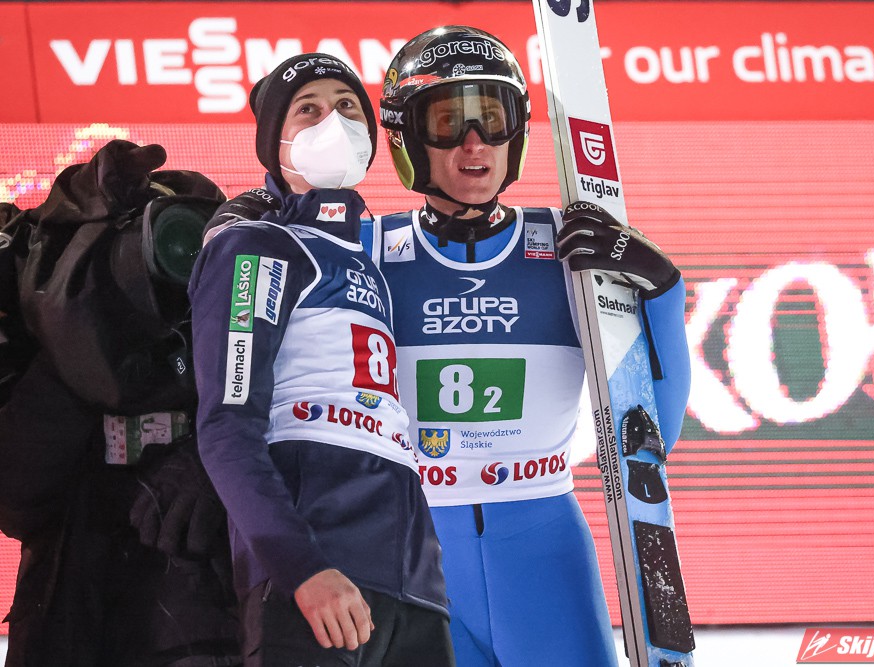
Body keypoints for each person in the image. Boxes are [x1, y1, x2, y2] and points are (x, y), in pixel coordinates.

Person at [373, 25, 692, 666]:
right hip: (410, 552)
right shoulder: (368, 249)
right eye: (447, 122)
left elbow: (651, 432)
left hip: (543, 549)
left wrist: (663, 290)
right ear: (405, 136)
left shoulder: (573, 247)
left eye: (492, 120)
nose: (474, 144)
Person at [188, 53, 454, 667]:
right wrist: (301, 568)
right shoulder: (255, 247)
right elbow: (226, 426)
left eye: (348, 106)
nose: (333, 121)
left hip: (414, 586)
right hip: (316, 575)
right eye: (307, 109)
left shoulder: (370, 263)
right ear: (273, 142)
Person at [0, 140, 240, 666]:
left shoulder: (236, 348)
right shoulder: (46, 335)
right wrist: (77, 344)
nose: (173, 260)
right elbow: (16, 501)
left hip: (202, 616)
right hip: (69, 616)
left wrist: (222, 459)